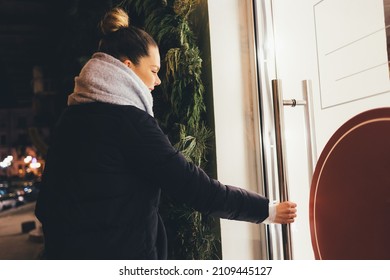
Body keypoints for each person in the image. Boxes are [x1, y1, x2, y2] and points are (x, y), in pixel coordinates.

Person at [35, 7, 297, 260]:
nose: (157, 81)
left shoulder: (72, 115)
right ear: (127, 67)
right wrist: (266, 210)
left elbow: (48, 200)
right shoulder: (129, 122)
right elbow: (194, 186)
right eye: (153, 71)